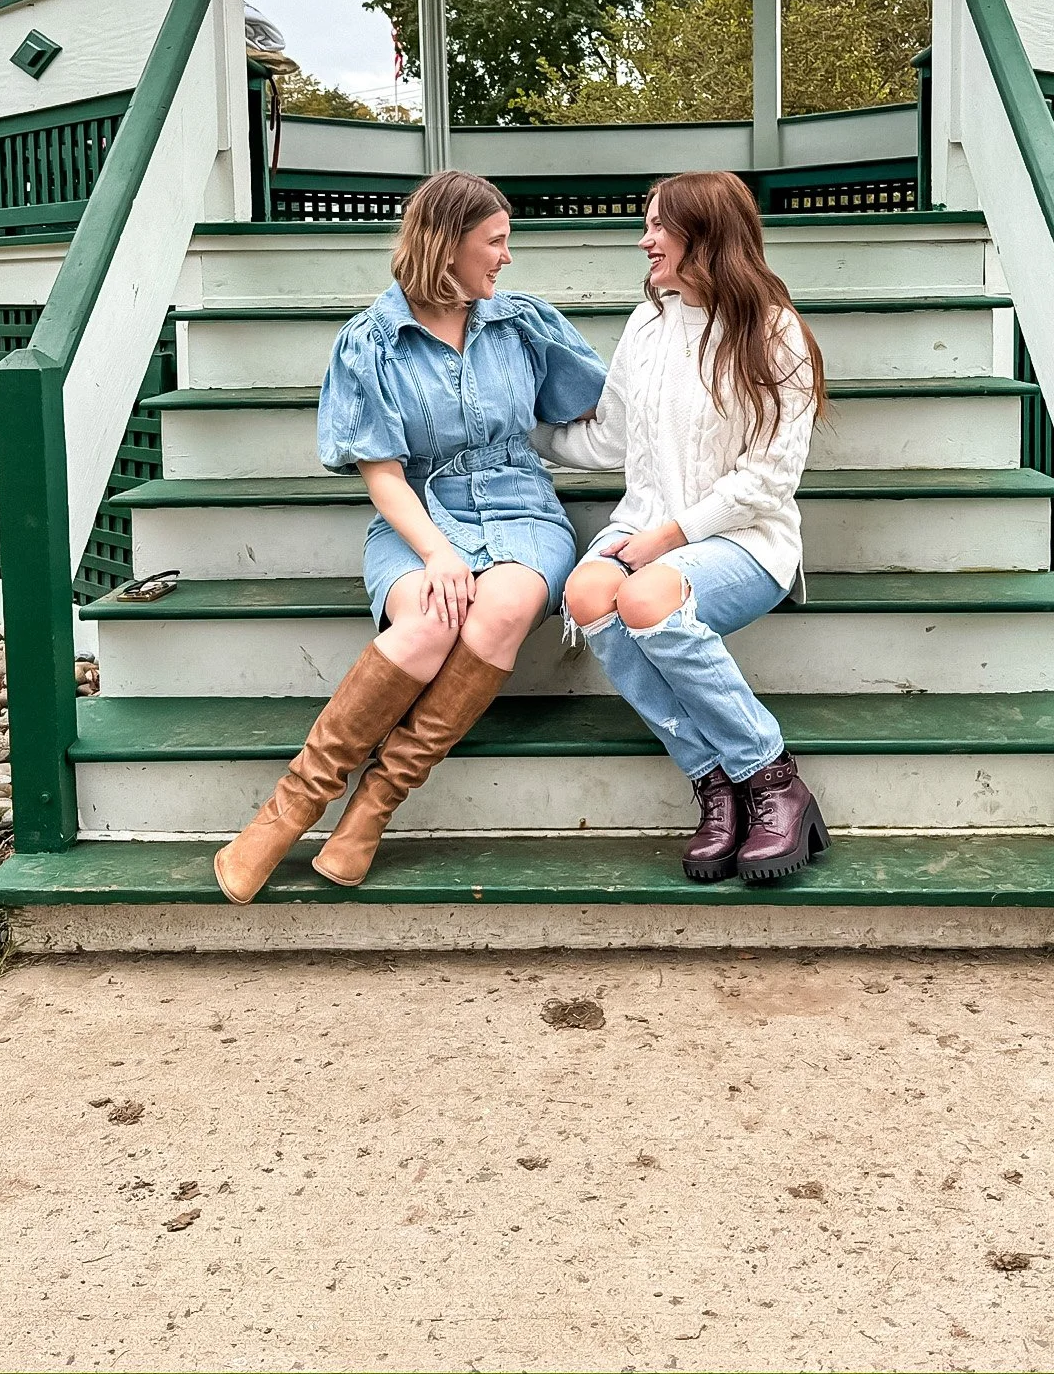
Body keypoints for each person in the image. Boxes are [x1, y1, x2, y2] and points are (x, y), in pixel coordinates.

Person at [213, 171, 607, 901]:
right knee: (429, 621)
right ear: (446, 245)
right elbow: (384, 475)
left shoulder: (521, 323)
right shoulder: (371, 343)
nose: (506, 258)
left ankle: (371, 810)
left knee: (504, 605)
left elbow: (602, 409)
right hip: (419, 511)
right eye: (494, 242)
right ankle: (288, 812)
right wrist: (438, 551)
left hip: (523, 507)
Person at [540, 170, 829, 883]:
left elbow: (768, 480)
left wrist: (669, 538)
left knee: (644, 598)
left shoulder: (774, 331)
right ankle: (717, 784)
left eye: (659, 226)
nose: (646, 241)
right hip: (645, 526)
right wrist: (514, 435)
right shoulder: (650, 321)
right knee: (586, 596)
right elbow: (609, 440)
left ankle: (771, 778)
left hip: (747, 542)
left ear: (706, 234)